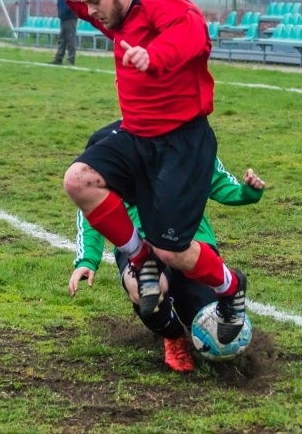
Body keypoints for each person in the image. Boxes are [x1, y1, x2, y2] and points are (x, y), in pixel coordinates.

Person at [62, 0, 249, 346]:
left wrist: (155, 56)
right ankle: (137, 255)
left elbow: (193, 33)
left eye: (97, 2)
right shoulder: (122, 15)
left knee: (173, 251)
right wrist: (75, 1)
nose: (94, 11)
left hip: (182, 143)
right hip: (137, 137)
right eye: (89, 3)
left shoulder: (165, 5)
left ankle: (231, 288)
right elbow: (104, 17)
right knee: (79, 180)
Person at [68, 120, 265, 372]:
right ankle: (174, 338)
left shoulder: (183, 135)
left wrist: (246, 192)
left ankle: (223, 297)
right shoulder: (108, 142)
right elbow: (90, 208)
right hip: (137, 244)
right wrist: (87, 259)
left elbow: (215, 181)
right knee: (145, 294)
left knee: (206, 316)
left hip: (188, 240)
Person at [51, 0, 78, 65]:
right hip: (63, 16)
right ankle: (58, 58)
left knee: (70, 38)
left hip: (70, 16)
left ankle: (71, 59)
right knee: (62, 39)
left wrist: (68, 11)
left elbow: (74, 0)